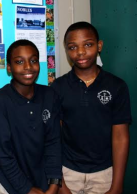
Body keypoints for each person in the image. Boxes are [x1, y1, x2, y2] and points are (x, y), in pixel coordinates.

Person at [51, 21, 131, 194]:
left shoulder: (117, 86)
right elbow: (53, 138)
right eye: (72, 47)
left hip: (104, 174)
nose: (80, 52)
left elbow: (120, 137)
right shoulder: (58, 88)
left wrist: (117, 185)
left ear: (99, 45)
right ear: (66, 50)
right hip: (68, 172)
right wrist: (60, 183)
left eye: (88, 44)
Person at [0, 39, 62, 194]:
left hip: (45, 184)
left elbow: (53, 142)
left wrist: (55, 182)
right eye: (19, 61)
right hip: (11, 185)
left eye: (33, 60)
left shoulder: (49, 96)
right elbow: (2, 154)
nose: (28, 66)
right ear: (9, 67)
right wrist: (27, 189)